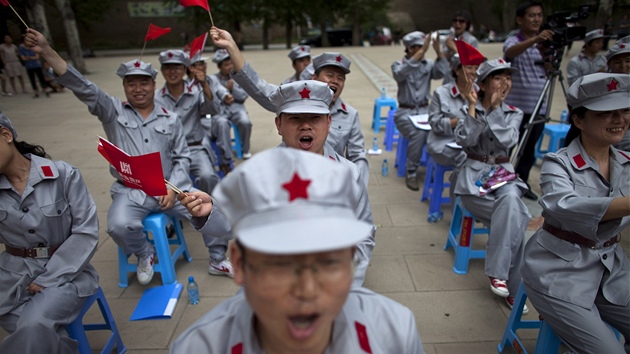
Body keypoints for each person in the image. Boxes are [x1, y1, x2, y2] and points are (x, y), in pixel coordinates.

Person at [23, 28, 233, 284]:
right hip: (131, 190)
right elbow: (82, 86)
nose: (138, 89)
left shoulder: (171, 118)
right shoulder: (112, 111)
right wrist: (46, 51)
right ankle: (146, 253)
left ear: (153, 86)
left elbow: (182, 157)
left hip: (171, 187)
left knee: (207, 212)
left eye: (144, 82)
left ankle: (217, 257)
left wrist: (172, 189)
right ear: (124, 86)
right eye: (130, 83)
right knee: (118, 226)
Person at [171, 148, 425, 354]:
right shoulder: (200, 346)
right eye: (279, 265)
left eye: (328, 263)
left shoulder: (395, 332)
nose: (306, 290)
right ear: (238, 264)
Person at [178, 79, 376, 287]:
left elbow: (364, 235)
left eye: (315, 118)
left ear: (328, 123)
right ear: (279, 125)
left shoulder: (349, 173)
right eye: (295, 118)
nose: (305, 125)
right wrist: (211, 211)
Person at [522, 73, 630, 354]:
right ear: (579, 120)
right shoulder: (558, 164)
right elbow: (563, 206)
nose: (619, 119)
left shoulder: (627, 164)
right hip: (560, 271)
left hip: (612, 269)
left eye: (625, 110)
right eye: (607, 112)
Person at [210, 26, 370, 186]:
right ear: (314, 77)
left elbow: (358, 156)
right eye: (330, 75)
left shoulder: (350, 114)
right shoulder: (294, 100)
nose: (335, 80)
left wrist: (357, 188)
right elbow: (258, 86)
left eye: (340, 78)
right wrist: (231, 46)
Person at [0, 112, 99, 353]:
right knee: (34, 331)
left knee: (33, 324)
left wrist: (51, 276)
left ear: (6, 135)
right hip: (11, 277)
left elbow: (86, 232)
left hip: (67, 274)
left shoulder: (63, 175)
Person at [455, 58, 531, 313]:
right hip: (473, 180)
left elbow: (508, 140)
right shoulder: (469, 108)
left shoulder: (514, 113)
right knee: (516, 217)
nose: (505, 83)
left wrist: (496, 110)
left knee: (512, 204)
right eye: (499, 78)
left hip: (502, 174)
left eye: (508, 77)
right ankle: (515, 289)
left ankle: (499, 275)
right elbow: (465, 141)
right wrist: (474, 108)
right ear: (484, 84)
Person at [503, 1, 554, 201]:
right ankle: (500, 183)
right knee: (506, 148)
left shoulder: (545, 44)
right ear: (520, 19)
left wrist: (546, 51)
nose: (536, 19)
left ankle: (522, 184)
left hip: (538, 107)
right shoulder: (513, 40)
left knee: (528, 152)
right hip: (514, 107)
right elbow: (509, 53)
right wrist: (534, 41)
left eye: (539, 15)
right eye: (532, 15)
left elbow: (551, 70)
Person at [154, 49, 221, 193]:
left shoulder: (196, 92)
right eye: (167, 67)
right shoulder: (155, 98)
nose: (172, 72)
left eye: (177, 67)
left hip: (194, 149)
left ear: (185, 69)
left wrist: (205, 85)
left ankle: (213, 211)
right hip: (168, 152)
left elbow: (213, 109)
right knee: (161, 185)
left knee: (208, 177)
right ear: (162, 70)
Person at [392, 30, 449, 191]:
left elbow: (442, 71)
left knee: (440, 128)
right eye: (418, 48)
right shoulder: (398, 65)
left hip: (425, 110)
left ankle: (434, 166)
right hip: (405, 112)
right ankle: (411, 171)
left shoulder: (428, 64)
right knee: (419, 133)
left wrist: (438, 51)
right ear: (410, 49)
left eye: (422, 47)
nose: (422, 51)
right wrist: (422, 51)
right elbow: (400, 74)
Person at [427, 54, 477, 204]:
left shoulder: (479, 93)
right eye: (469, 67)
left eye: (476, 68)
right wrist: (463, 119)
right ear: (457, 70)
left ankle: (475, 202)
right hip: (443, 143)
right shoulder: (441, 93)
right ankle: (459, 206)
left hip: (470, 144)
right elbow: (435, 124)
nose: (474, 72)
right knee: (465, 158)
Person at [188, 53, 235, 175]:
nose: (203, 67)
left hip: (214, 118)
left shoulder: (211, 79)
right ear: (191, 68)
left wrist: (226, 95)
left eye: (203, 64)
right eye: (199, 65)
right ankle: (210, 168)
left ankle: (226, 162)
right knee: (203, 143)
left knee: (223, 123)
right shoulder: (187, 85)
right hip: (198, 122)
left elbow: (220, 89)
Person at [212, 48, 253, 160]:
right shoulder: (213, 79)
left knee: (245, 122)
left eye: (231, 63)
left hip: (237, 108)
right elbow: (211, 99)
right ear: (219, 67)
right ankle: (224, 153)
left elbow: (244, 96)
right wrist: (225, 91)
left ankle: (246, 149)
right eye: (226, 64)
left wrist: (233, 88)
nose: (230, 67)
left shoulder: (239, 77)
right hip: (220, 109)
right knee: (219, 124)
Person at [606, 36, 630, 151]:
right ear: (609, 64)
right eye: (617, 61)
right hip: (611, 133)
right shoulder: (602, 85)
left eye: (628, 61)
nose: (623, 65)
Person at [442, 10, 479, 85]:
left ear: (467, 24)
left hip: (463, 78)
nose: (457, 24)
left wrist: (455, 49)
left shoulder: (471, 40)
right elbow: (443, 61)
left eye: (461, 21)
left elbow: (468, 62)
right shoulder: (449, 38)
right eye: (455, 21)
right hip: (449, 77)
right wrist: (449, 49)